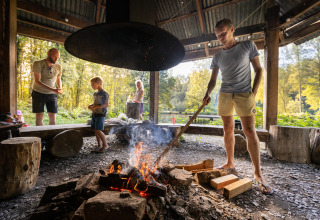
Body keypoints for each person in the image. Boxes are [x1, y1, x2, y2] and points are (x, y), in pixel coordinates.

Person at [202, 18, 273, 195]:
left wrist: (253, 93)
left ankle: (258, 173)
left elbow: (259, 70)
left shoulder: (248, 46)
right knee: (227, 129)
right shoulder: (217, 56)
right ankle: (230, 163)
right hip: (225, 94)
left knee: (249, 131)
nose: (221, 38)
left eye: (223, 33)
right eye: (218, 36)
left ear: (232, 29)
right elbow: (213, 80)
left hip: (244, 94)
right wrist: (208, 93)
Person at [32, 48, 63, 126]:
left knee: (52, 116)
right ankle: (40, 137)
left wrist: (60, 88)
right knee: (39, 116)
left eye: (58, 57)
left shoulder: (58, 66)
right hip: (38, 93)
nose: (56, 59)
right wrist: (53, 89)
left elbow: (58, 79)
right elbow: (37, 81)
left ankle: (51, 136)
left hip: (52, 94)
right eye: (54, 57)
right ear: (48, 54)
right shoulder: (37, 63)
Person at [88, 76, 110, 153]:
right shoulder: (95, 93)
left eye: (93, 84)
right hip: (95, 113)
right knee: (95, 130)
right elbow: (96, 103)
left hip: (101, 114)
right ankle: (99, 145)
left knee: (98, 129)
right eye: (91, 84)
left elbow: (106, 104)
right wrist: (91, 106)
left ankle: (106, 145)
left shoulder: (104, 93)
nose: (92, 86)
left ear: (98, 83)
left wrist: (95, 107)